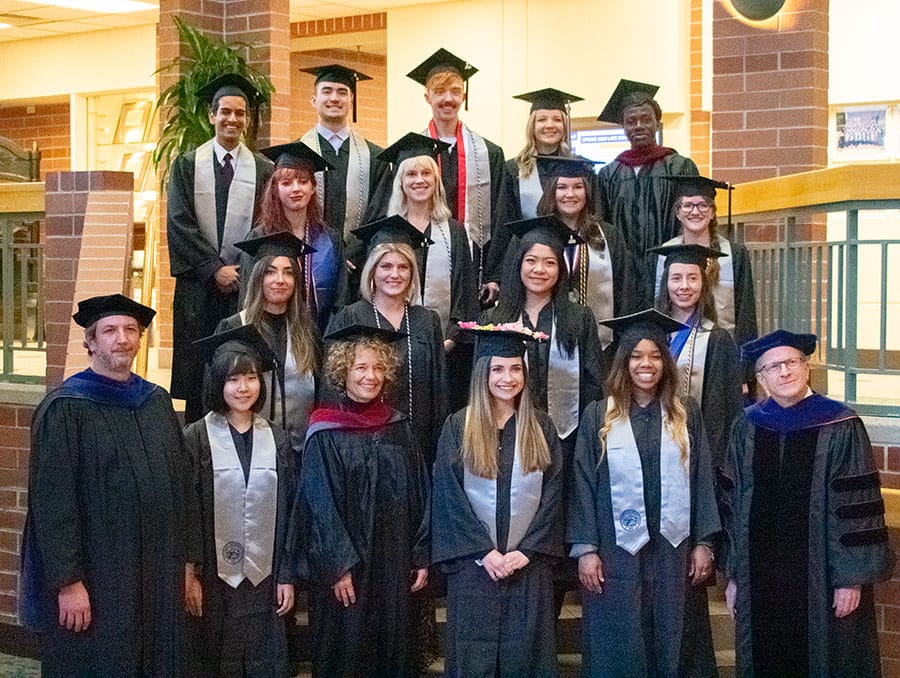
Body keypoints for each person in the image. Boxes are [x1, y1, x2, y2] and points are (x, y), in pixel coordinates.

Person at [20, 294, 194, 677]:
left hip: (157, 573)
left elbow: (181, 489)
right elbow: (53, 506)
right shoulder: (66, 408)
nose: (122, 339)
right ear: (91, 342)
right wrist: (68, 583)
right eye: (110, 331)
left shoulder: (156, 402)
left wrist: (186, 563)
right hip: (98, 579)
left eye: (130, 330)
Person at [722, 330, 895, 677]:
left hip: (825, 580)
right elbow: (733, 505)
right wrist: (736, 575)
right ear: (761, 377)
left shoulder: (841, 424)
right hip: (762, 579)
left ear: (806, 367)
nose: (784, 372)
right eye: (773, 367)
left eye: (791, 363)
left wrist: (850, 578)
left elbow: (858, 506)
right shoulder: (747, 425)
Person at [568, 308, 721, 677]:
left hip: (674, 551)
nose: (646, 364)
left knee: (674, 633)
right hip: (615, 554)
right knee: (619, 637)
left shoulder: (686, 414)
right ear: (624, 362)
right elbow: (583, 484)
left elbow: (702, 479)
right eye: (636, 356)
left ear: (666, 362)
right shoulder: (597, 417)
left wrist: (705, 543)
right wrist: (586, 549)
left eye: (654, 355)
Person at [431, 325, 564, 676]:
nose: (508, 377)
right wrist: (483, 552)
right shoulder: (459, 426)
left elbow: (553, 495)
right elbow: (449, 496)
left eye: (516, 368)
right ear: (482, 373)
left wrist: (528, 551)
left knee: (527, 657)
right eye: (498, 369)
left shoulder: (542, 428)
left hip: (528, 569)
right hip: (474, 569)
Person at [300, 324, 430, 677]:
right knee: (346, 651)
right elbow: (319, 505)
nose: (370, 377)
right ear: (344, 372)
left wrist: (419, 553)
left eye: (377, 368)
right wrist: (338, 564)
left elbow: (421, 494)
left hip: (393, 564)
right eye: (361, 368)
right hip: (346, 572)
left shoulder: (399, 427)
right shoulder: (324, 431)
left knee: (392, 649)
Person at [183, 325, 296, 677]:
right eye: (233, 379)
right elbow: (187, 512)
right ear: (218, 385)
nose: (243, 387)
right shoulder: (196, 437)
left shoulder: (276, 438)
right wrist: (190, 575)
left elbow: (291, 513)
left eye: (250, 377)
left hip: (266, 579)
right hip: (214, 580)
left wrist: (287, 575)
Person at [167, 72, 274, 423]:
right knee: (201, 373)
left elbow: (266, 224)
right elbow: (179, 222)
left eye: (240, 113)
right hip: (200, 290)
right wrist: (214, 268)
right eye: (225, 111)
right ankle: (200, 444)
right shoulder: (186, 164)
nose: (232, 119)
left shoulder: (262, 169)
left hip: (243, 288)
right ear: (212, 116)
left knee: (241, 367)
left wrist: (240, 269)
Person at [328, 216, 447, 468]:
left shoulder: (426, 321)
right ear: (372, 270)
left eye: (403, 267)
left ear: (413, 272)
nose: (395, 274)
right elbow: (333, 388)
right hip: (361, 452)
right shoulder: (350, 317)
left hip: (418, 451)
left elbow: (439, 394)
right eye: (386, 266)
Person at [481, 216, 604, 458]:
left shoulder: (579, 318)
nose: (539, 270)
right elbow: (480, 382)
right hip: (505, 439)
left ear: (561, 269)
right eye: (531, 261)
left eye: (549, 262)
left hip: (568, 441)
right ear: (518, 265)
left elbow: (594, 384)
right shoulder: (492, 319)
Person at [405, 47, 506, 299]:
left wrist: (494, 274)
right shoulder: (409, 153)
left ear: (464, 95)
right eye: (439, 92)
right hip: (421, 261)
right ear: (427, 97)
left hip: (475, 265)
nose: (447, 99)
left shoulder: (489, 153)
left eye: (455, 91)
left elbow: (501, 214)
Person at [220, 232, 322, 458]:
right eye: (270, 272)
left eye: (288, 273)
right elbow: (216, 394)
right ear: (258, 277)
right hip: (245, 453)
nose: (280, 280)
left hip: (300, 453)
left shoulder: (307, 331)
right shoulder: (235, 327)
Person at [535, 156, 645, 356]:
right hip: (545, 347)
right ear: (551, 191)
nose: (570, 194)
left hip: (603, 349)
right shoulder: (535, 237)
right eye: (562, 187)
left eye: (578, 187)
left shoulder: (608, 235)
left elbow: (625, 293)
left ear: (587, 191)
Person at [298, 64, 388, 301]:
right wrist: (326, 255)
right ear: (313, 100)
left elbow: (378, 213)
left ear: (351, 99)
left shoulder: (375, 157)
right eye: (327, 91)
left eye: (342, 92)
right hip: (308, 265)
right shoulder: (298, 154)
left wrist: (352, 254)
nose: (334, 98)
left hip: (358, 268)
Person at [651, 243, 742, 472]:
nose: (684, 286)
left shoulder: (717, 340)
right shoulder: (650, 334)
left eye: (692, 278)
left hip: (700, 451)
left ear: (703, 285)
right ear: (666, 284)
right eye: (676, 278)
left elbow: (725, 411)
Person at [239, 142, 346, 330]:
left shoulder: (330, 239)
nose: (296, 189)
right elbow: (248, 300)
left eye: (303, 181)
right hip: (271, 336)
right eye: (286, 183)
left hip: (321, 337)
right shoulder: (259, 238)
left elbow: (341, 299)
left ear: (313, 188)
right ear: (276, 190)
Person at [595, 79, 699, 269]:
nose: (639, 126)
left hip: (669, 267)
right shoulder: (608, 175)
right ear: (624, 127)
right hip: (623, 271)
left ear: (657, 124)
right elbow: (603, 227)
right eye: (631, 121)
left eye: (646, 119)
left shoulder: (679, 167)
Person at [653, 175, 757, 352]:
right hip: (674, 352)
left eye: (703, 205)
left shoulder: (735, 254)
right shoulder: (663, 254)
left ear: (713, 212)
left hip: (723, 352)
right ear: (678, 213)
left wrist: (743, 369)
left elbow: (745, 314)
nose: (695, 212)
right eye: (687, 205)